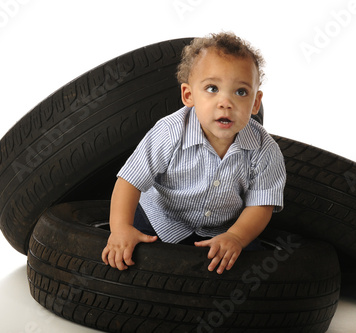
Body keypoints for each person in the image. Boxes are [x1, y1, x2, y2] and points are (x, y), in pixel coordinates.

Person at [101, 32, 286, 274]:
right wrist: (120, 228)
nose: (225, 102)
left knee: (252, 268)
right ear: (189, 95)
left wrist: (237, 237)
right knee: (131, 258)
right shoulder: (169, 133)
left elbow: (261, 205)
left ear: (255, 102)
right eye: (212, 88)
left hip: (224, 229)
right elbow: (129, 181)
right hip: (158, 220)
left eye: (240, 92)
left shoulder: (265, 149)